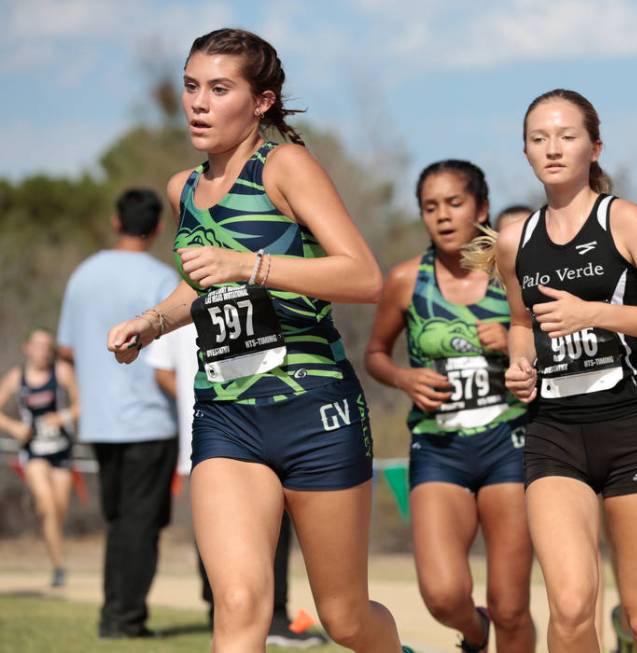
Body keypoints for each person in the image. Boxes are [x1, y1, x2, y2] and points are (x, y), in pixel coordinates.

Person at [106, 28, 407, 652]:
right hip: (227, 414)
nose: (198, 103)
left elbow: (363, 276)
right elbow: (207, 287)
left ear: (261, 102)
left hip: (315, 411)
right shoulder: (182, 189)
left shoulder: (286, 168)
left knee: (345, 618)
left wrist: (250, 266)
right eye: (192, 87)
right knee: (239, 604)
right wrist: (155, 321)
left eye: (219, 89)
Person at [478, 88, 637, 653]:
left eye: (567, 135)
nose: (552, 147)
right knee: (572, 605)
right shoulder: (514, 241)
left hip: (631, 431)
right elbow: (522, 322)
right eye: (538, 138)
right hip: (554, 432)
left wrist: (592, 312)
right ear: (525, 151)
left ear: (594, 147)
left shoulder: (623, 219)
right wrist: (520, 362)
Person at [365, 160, 535, 653]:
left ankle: (501, 628)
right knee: (442, 595)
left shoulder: (512, 273)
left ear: (481, 208)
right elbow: (374, 354)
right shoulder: (405, 280)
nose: (442, 216)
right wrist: (402, 376)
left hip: (510, 440)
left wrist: (512, 340)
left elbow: (555, 342)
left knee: (511, 605)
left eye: (454, 204)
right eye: (430, 207)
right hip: (439, 446)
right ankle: (477, 635)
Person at [146, 325, 328, 648]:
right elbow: (160, 371)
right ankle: (249, 614)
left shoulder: (259, 283)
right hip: (214, 434)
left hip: (271, 431)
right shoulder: (182, 302)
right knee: (228, 537)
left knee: (258, 532)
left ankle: (264, 615)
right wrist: (205, 394)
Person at [58, 187, 180, 638]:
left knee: (118, 521)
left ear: (115, 221)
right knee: (141, 523)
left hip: (100, 422)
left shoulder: (82, 275)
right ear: (157, 227)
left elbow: (66, 349)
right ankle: (125, 620)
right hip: (151, 420)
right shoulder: (163, 278)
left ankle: (113, 615)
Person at [0, 328, 80, 588]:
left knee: (58, 509)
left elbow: (82, 405)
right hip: (33, 451)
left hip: (61, 450)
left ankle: (55, 547)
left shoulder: (61, 372)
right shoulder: (17, 377)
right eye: (37, 345)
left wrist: (62, 417)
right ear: (27, 348)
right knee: (46, 505)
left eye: (47, 346)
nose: (42, 351)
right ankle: (58, 567)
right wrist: (14, 427)